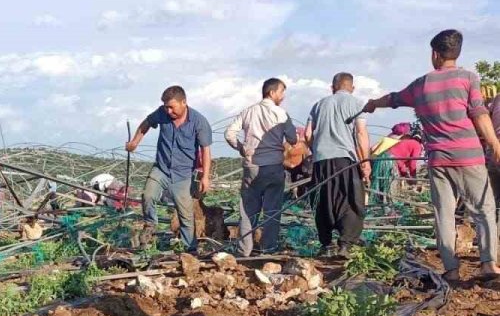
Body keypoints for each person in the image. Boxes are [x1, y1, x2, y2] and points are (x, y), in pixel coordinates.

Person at [363, 29, 500, 284]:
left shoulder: (420, 85)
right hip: (469, 156)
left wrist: (372, 103)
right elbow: (479, 113)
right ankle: (488, 264)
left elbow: (393, 99)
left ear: (435, 54)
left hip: (438, 160)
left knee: (443, 213)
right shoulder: (468, 78)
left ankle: (451, 269)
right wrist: (494, 143)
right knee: (483, 209)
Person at [125, 85, 212, 250]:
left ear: (184, 102)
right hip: (161, 169)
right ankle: (150, 225)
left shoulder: (199, 121)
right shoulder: (162, 113)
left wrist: (205, 177)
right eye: (166, 107)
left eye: (172, 107)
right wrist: (135, 142)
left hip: (183, 175)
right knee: (148, 195)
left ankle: (190, 250)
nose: (169, 111)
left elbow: (205, 150)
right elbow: (146, 123)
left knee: (186, 216)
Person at [225, 78, 297, 256]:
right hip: (274, 166)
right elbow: (293, 139)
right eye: (281, 92)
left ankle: (244, 250)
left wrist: (242, 148)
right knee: (272, 211)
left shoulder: (248, 111)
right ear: (272, 93)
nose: (283, 96)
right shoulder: (281, 114)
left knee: (248, 211)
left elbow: (229, 134)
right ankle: (269, 249)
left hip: (252, 166)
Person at [306, 73, 371, 254]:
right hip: (345, 159)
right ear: (352, 88)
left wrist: (317, 149)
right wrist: (365, 162)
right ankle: (345, 243)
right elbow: (360, 133)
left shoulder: (319, 104)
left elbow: (308, 135)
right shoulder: (356, 103)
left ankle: (326, 244)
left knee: (323, 200)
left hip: (321, 160)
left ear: (332, 87)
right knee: (351, 200)